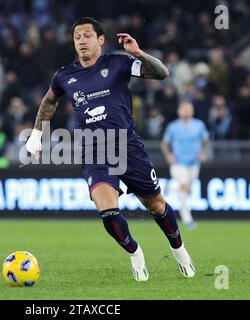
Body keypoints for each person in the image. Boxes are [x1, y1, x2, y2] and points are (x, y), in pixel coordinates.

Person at [25, 17, 195, 281]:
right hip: (94, 151)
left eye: (86, 36)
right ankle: (135, 252)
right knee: (108, 211)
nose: (81, 41)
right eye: (77, 37)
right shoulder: (65, 76)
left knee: (156, 205)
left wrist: (139, 54)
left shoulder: (118, 63)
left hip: (128, 146)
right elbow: (49, 103)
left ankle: (179, 248)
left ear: (100, 40)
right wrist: (36, 134)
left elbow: (162, 73)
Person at [161, 101, 209, 230]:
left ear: (192, 111)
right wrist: (168, 155)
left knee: (187, 190)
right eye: (184, 108)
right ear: (179, 111)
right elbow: (165, 143)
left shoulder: (199, 125)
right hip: (179, 163)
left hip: (194, 163)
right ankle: (188, 220)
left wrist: (204, 152)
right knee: (184, 186)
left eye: (188, 108)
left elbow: (205, 140)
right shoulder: (173, 126)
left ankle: (169, 188)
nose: (186, 111)